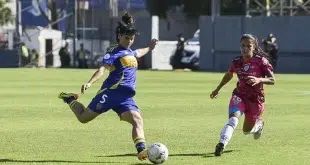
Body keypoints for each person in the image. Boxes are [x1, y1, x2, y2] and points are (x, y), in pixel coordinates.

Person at [58, 13, 158, 161]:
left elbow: (139, 52)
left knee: (137, 119)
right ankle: (69, 99)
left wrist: (150, 48)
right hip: (111, 93)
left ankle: (141, 151)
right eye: (126, 38)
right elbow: (102, 69)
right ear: (119, 36)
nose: (129, 41)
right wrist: (90, 82)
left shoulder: (130, 52)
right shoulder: (113, 52)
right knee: (83, 118)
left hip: (126, 96)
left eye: (131, 39)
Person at [210, 34, 276, 156]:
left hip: (255, 100)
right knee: (233, 119)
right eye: (242, 46)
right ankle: (221, 144)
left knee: (247, 131)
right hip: (240, 95)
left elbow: (272, 80)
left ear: (254, 47)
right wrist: (217, 89)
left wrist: (259, 80)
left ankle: (258, 126)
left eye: (248, 46)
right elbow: (229, 75)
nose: (245, 48)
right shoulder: (236, 62)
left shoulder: (261, 61)